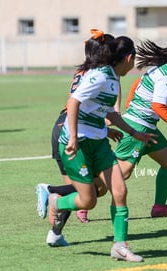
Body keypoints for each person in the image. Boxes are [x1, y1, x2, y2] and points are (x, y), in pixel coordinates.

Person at [47, 35, 156, 262]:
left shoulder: (114, 77)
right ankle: (57, 202)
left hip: (99, 142)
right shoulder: (99, 76)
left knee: (120, 191)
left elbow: (109, 112)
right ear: (128, 58)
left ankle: (119, 246)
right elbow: (73, 102)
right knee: (88, 201)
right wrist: (74, 137)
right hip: (79, 143)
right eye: (133, 61)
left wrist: (134, 133)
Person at [36, 30, 122, 223]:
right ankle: (50, 193)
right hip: (72, 126)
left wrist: (106, 128)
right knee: (84, 190)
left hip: (73, 124)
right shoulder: (100, 74)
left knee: (96, 189)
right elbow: (78, 104)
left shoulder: (88, 70)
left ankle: (55, 229)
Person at [114, 39, 167, 218]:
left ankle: (159, 207)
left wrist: (130, 106)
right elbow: (159, 106)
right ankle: (77, 197)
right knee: (120, 175)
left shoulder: (159, 70)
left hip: (147, 127)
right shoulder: (165, 76)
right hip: (138, 128)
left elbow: (137, 83)